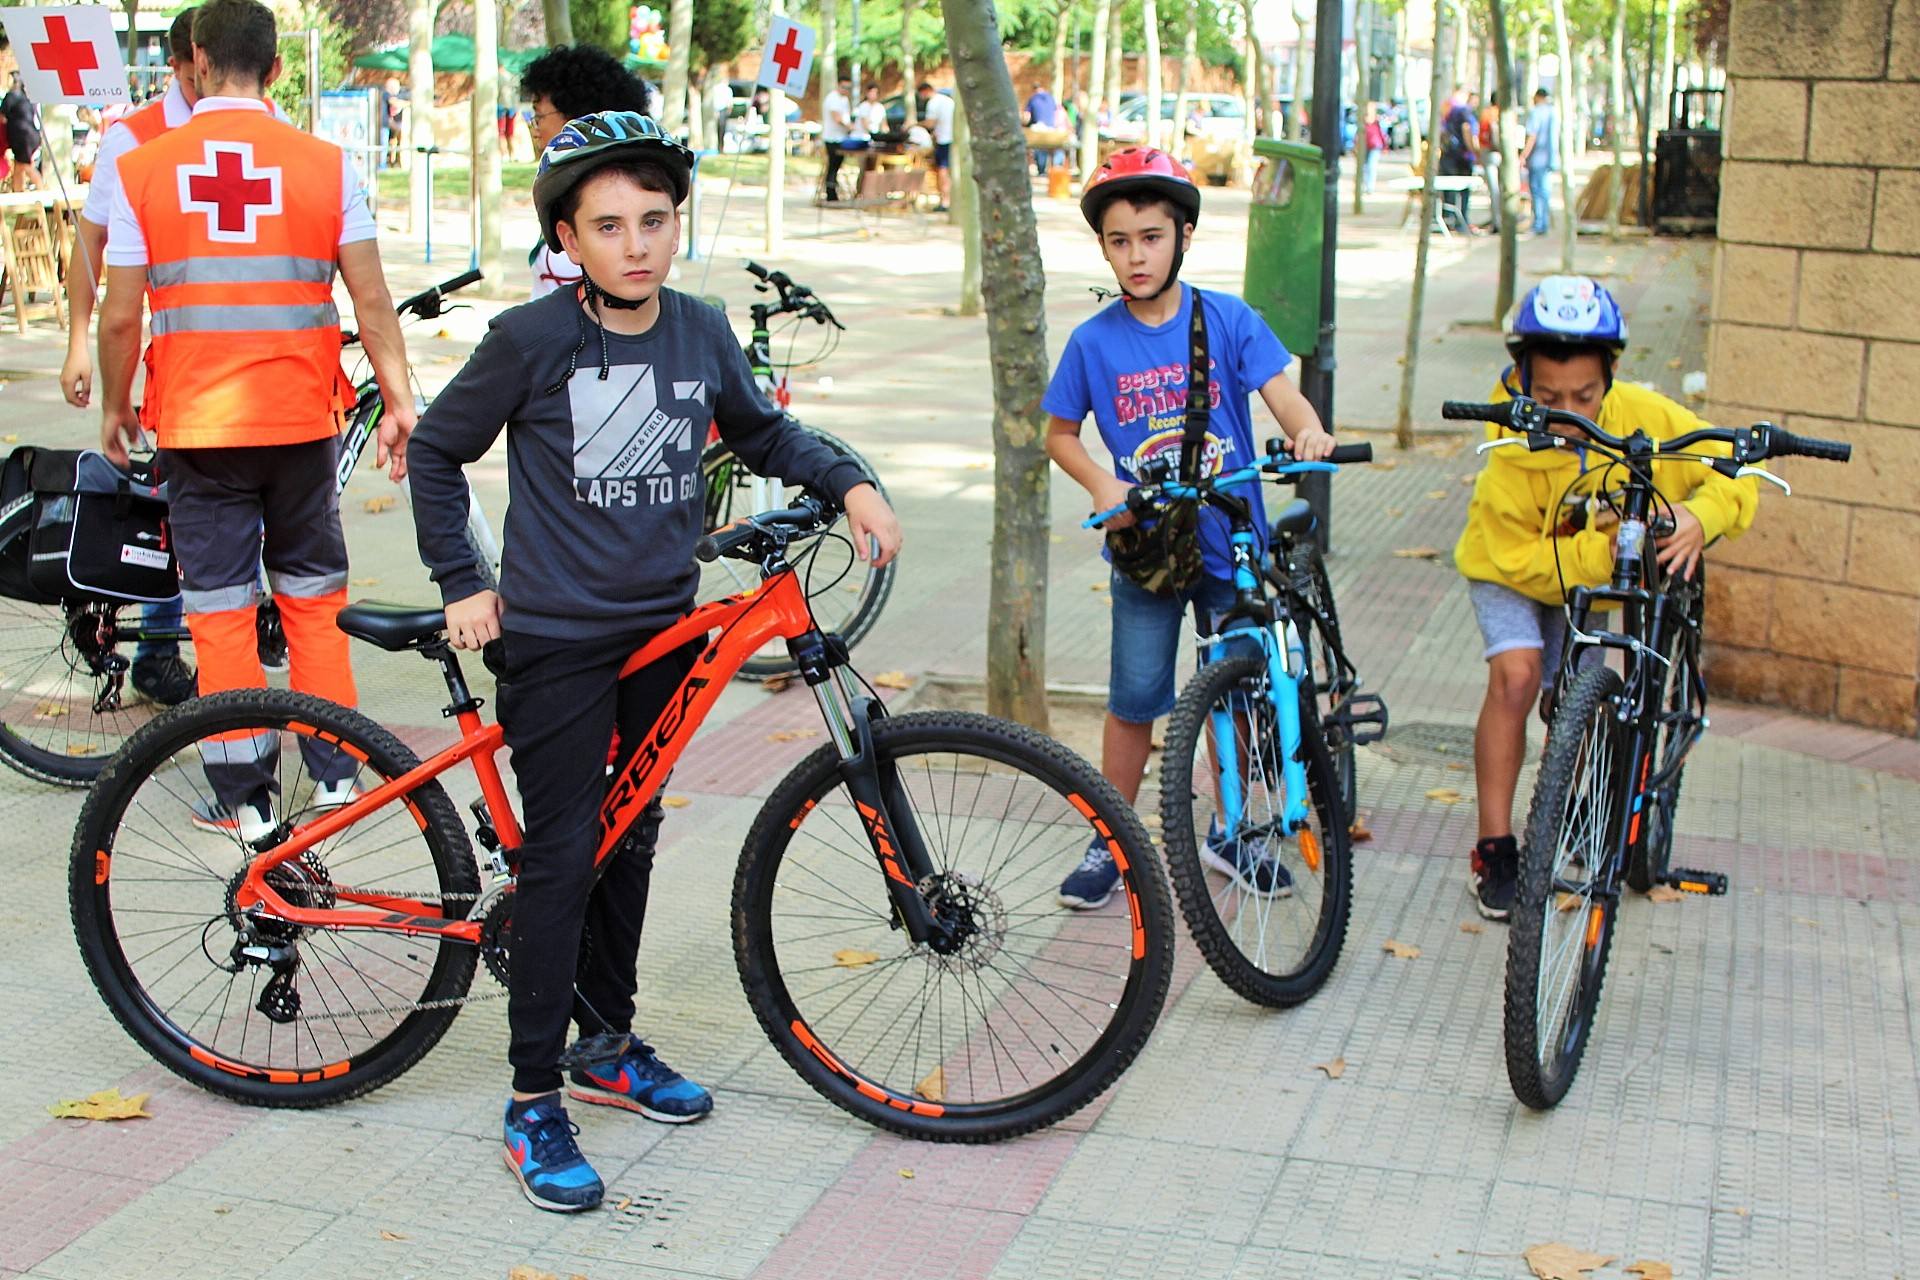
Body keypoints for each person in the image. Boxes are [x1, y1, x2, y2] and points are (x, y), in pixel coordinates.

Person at [406, 111, 902, 1212]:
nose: (635, 243)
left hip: (661, 633)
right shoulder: (530, 340)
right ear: (568, 240)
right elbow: (438, 450)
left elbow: (763, 433)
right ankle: (533, 1096)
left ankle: (606, 1040)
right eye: (608, 225)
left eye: (655, 221)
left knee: (630, 840)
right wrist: (464, 580)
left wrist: (849, 478)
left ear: (678, 226)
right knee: (567, 849)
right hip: (555, 641)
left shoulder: (700, 328)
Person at [97, 0, 415, 838]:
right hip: (303, 422)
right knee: (314, 598)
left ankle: (249, 802)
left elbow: (122, 316)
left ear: (197, 60)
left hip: (199, 429)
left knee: (221, 611)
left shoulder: (144, 169)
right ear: (277, 69)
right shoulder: (326, 164)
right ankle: (340, 778)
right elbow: (372, 300)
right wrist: (401, 403)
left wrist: (113, 404)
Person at [1043, 148, 1335, 910]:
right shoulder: (1095, 341)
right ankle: (1109, 838)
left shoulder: (1229, 320)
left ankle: (1232, 830)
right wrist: (1105, 482)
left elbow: (1285, 395)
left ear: (1184, 237)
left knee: (1231, 693)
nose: (1135, 256)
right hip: (1145, 548)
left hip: (1230, 543)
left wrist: (1309, 432)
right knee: (1135, 698)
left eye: (1150, 237)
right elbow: (1059, 433)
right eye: (1118, 241)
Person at [1452, 276, 1760, 920]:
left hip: (1585, 581)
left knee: (1580, 701)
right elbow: (1527, 565)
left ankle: (1580, 799)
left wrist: (1702, 514)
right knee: (1517, 675)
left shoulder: (1643, 413)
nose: (1568, 413)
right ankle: (1495, 848)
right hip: (1512, 571)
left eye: (1585, 396)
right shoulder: (1510, 436)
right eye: (1548, 396)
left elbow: (1729, 464)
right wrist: (1618, 545)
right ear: (1520, 377)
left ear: (1612, 375)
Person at [61, 9, 206, 707]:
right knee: (181, 515)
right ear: (188, 62)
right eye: (194, 74)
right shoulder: (135, 139)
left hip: (257, 367)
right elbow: (90, 250)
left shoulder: (260, 125)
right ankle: (159, 645)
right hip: (179, 367)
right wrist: (77, 347)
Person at [519, 45, 651, 299]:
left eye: (539, 116)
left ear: (574, 116)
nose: (535, 129)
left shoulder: (606, 194)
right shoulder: (566, 186)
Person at [1439, 85, 1477, 231]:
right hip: (1462, 156)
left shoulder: (1447, 109)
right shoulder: (1463, 111)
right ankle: (1462, 221)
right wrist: (1473, 150)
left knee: (1449, 190)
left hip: (1448, 154)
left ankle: (1448, 219)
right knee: (1464, 190)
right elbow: (1467, 130)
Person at [1521, 87, 1557, 236]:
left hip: (1537, 159)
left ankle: (1539, 224)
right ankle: (1544, 223)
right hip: (1550, 158)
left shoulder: (1536, 113)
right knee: (1545, 191)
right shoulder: (1553, 112)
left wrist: (1523, 155)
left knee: (1536, 191)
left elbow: (1532, 136)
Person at [3, 72, 43, 192]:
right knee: (19, 164)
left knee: (25, 164)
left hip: (22, 136)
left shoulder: (10, 96)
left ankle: (41, 188)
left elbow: (2, 117)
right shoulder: (27, 98)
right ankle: (18, 190)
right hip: (31, 135)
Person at [919, 81, 955, 211]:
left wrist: (915, 125)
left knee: (942, 170)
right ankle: (949, 199)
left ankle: (945, 200)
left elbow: (930, 123)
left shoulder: (933, 103)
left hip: (944, 140)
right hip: (952, 138)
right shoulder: (948, 101)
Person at [820, 72, 853, 201]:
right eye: (844, 87)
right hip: (832, 138)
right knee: (833, 166)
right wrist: (850, 127)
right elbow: (837, 118)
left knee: (837, 166)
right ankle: (830, 193)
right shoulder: (832, 98)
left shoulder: (844, 100)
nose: (846, 90)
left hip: (841, 137)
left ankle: (833, 190)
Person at [1476, 92, 1502, 233]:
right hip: (1500, 152)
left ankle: (1496, 220)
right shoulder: (1502, 113)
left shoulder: (1487, 114)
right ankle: (1501, 219)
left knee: (1494, 189)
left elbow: (1482, 135)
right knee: (1501, 188)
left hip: (1489, 152)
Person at [1024, 84, 1059, 175]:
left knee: (1038, 148)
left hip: (1038, 128)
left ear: (1034, 90)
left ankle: (1041, 170)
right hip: (1051, 128)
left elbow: (1027, 116)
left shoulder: (1033, 99)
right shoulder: (1051, 98)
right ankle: (1055, 168)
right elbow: (1056, 113)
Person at [1361, 102, 1388, 194]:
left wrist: (1384, 146)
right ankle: (1365, 186)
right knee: (1364, 167)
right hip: (1364, 146)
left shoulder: (1377, 122)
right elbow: (1358, 134)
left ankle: (1370, 187)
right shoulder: (1362, 122)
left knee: (1371, 166)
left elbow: (1382, 134)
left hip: (1375, 146)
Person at [381, 75, 406, 166]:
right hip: (382, 126)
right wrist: (409, 103)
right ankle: (381, 165)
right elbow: (395, 102)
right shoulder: (385, 94)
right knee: (382, 147)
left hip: (385, 125)